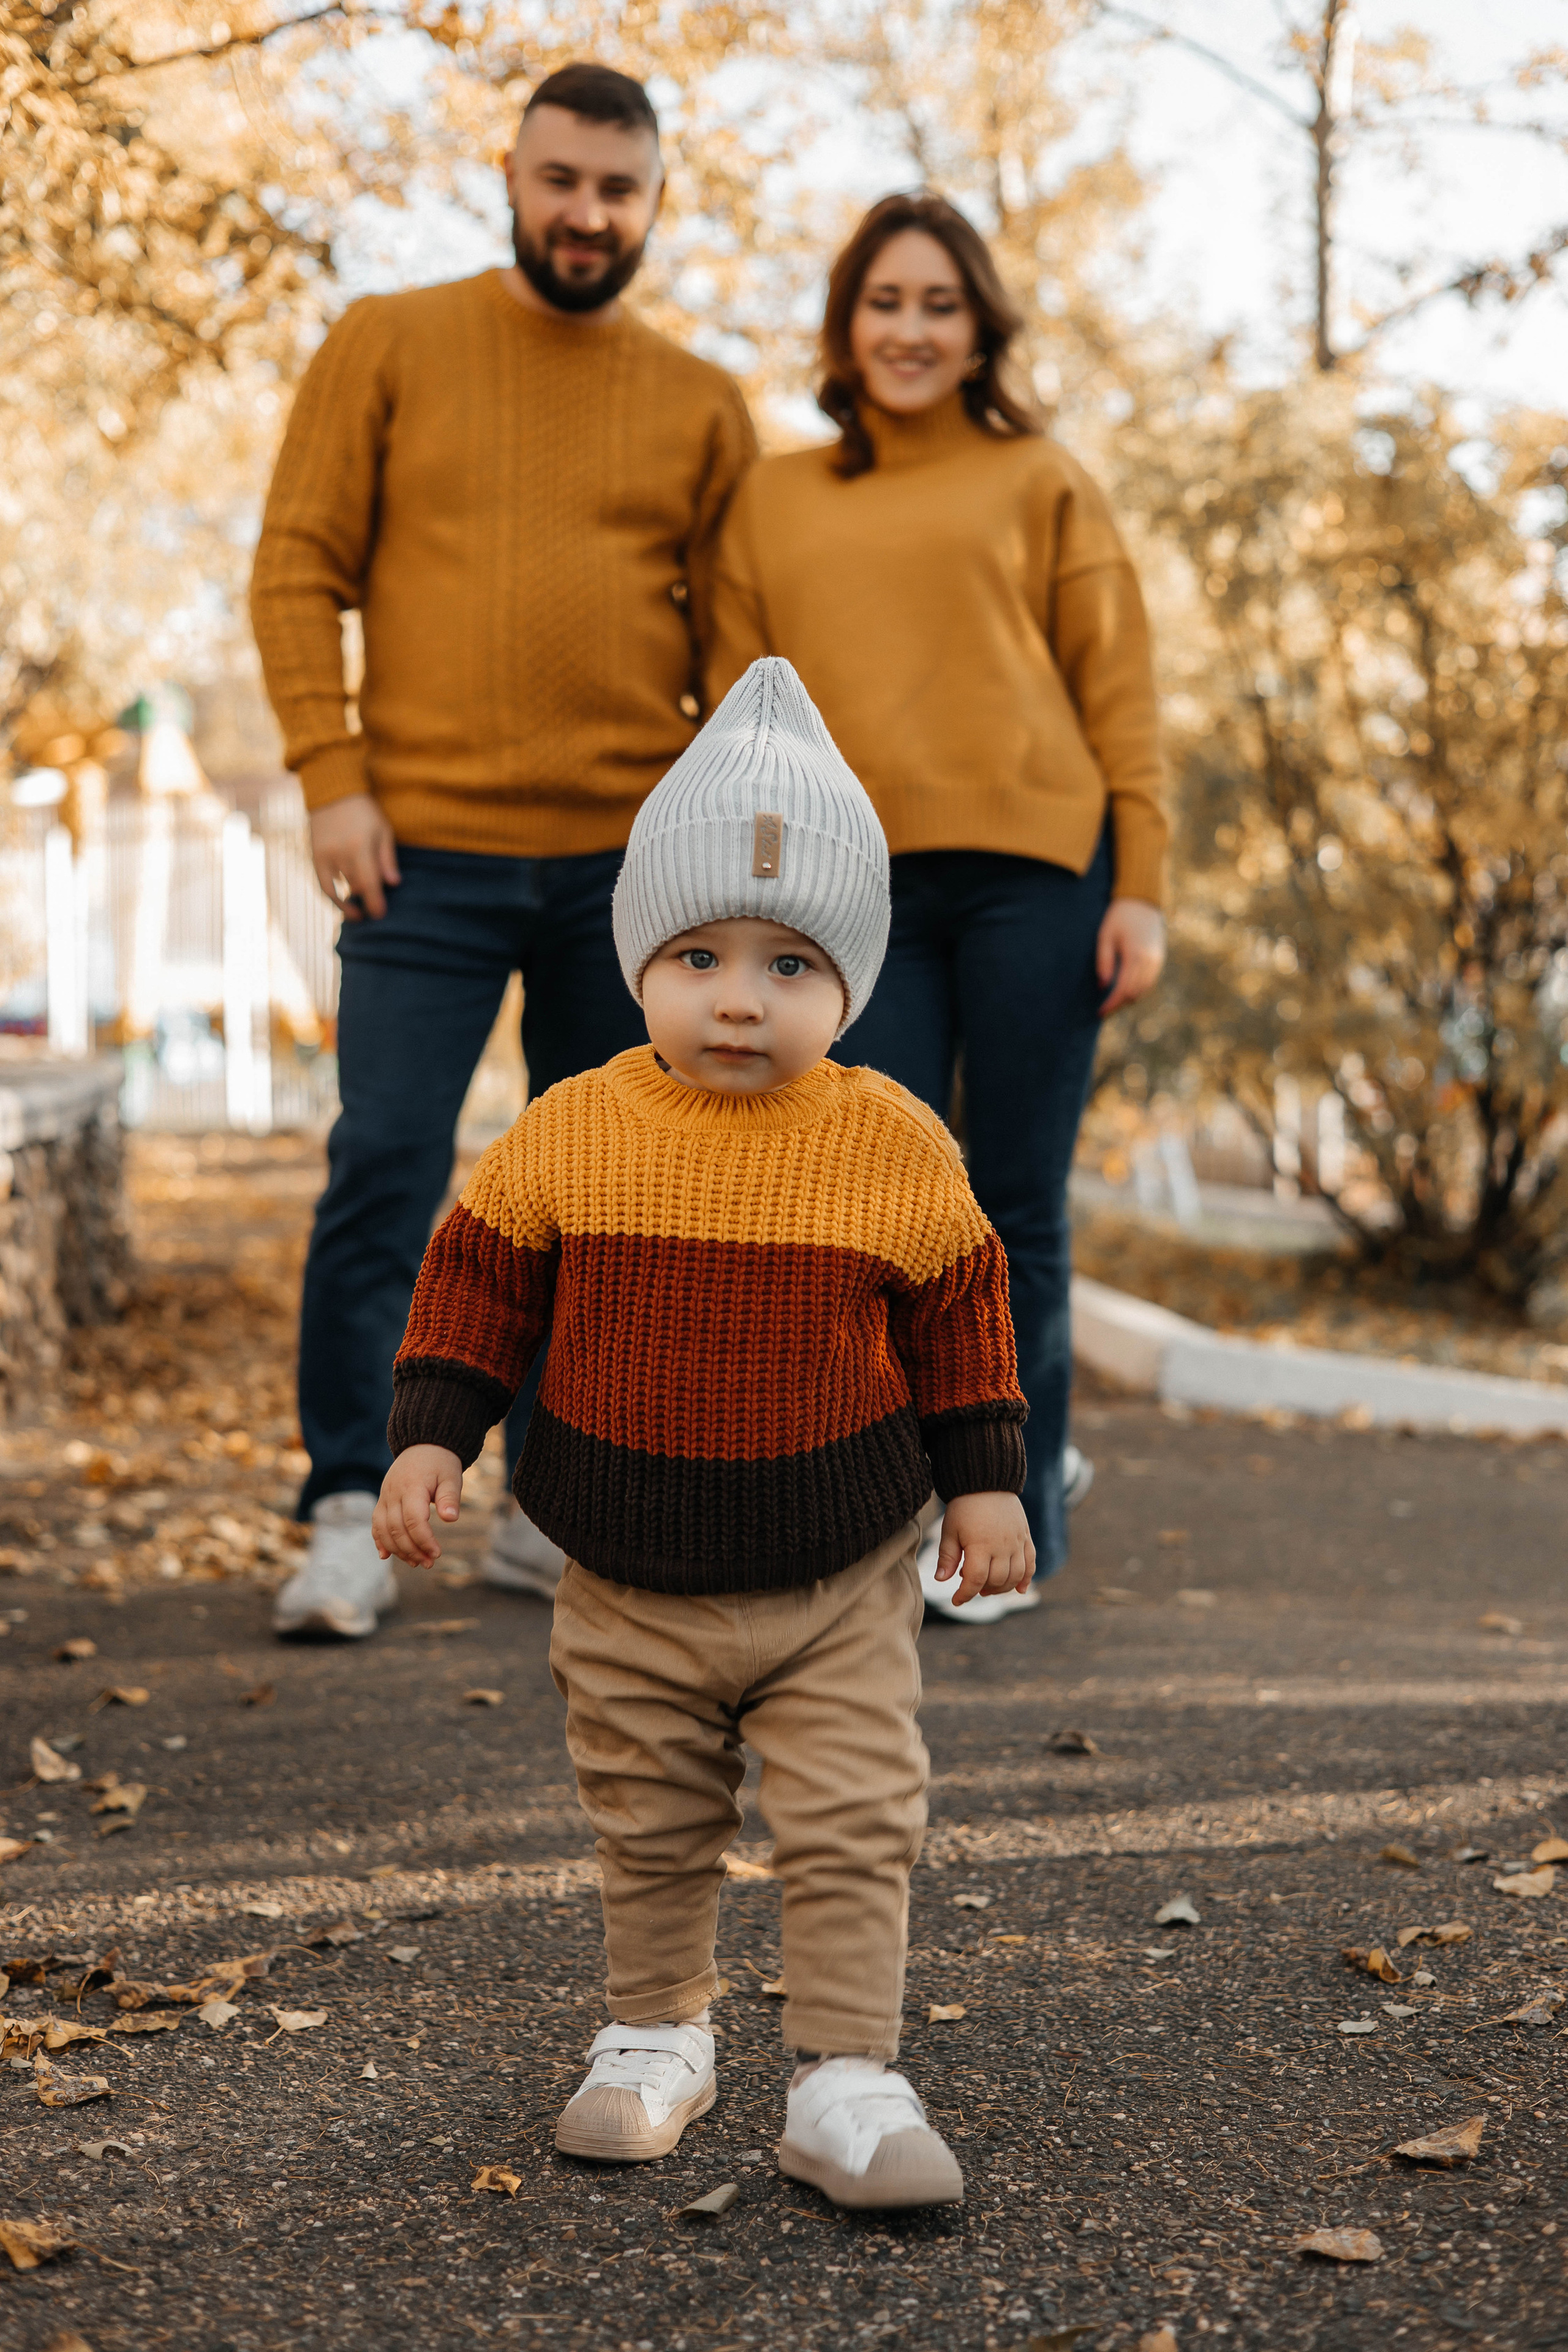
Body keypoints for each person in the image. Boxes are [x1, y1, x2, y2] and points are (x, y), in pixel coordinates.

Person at [372, 658, 1032, 2206]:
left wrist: (987, 1482)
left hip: (836, 1571)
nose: (740, 995)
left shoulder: (890, 1140)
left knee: (855, 1812)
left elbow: (962, 1313)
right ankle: (657, 2033)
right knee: (649, 1809)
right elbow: (475, 1284)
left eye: (793, 964)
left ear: (851, 986)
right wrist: (428, 1437)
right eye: (698, 953)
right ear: (635, 963)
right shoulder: (573, 1129)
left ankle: (846, 2079)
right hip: (619, 1567)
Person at [251, 63, 756, 1638]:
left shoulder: (703, 403)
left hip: (629, 876)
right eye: (561, 181)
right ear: (514, 176)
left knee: (605, 1195)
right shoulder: (391, 341)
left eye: (618, 190)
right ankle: (350, 1497)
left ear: (655, 201)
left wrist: (722, 862)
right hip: (421, 855)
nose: (586, 214)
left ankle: (562, 1505)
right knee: (386, 1168)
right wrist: (332, 776)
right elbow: (293, 571)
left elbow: (743, 663)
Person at [706, 191, 1166, 1624]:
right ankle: (904, 1502)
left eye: (938, 305)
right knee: (888, 1203)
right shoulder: (775, 496)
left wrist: (1139, 886)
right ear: (846, 326)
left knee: (1014, 1200)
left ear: (978, 331)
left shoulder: (1041, 478)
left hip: (1039, 870)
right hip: (858, 898)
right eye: (884, 302)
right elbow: (737, 726)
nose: (909, 329)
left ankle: (1017, 1512)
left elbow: (1120, 692)